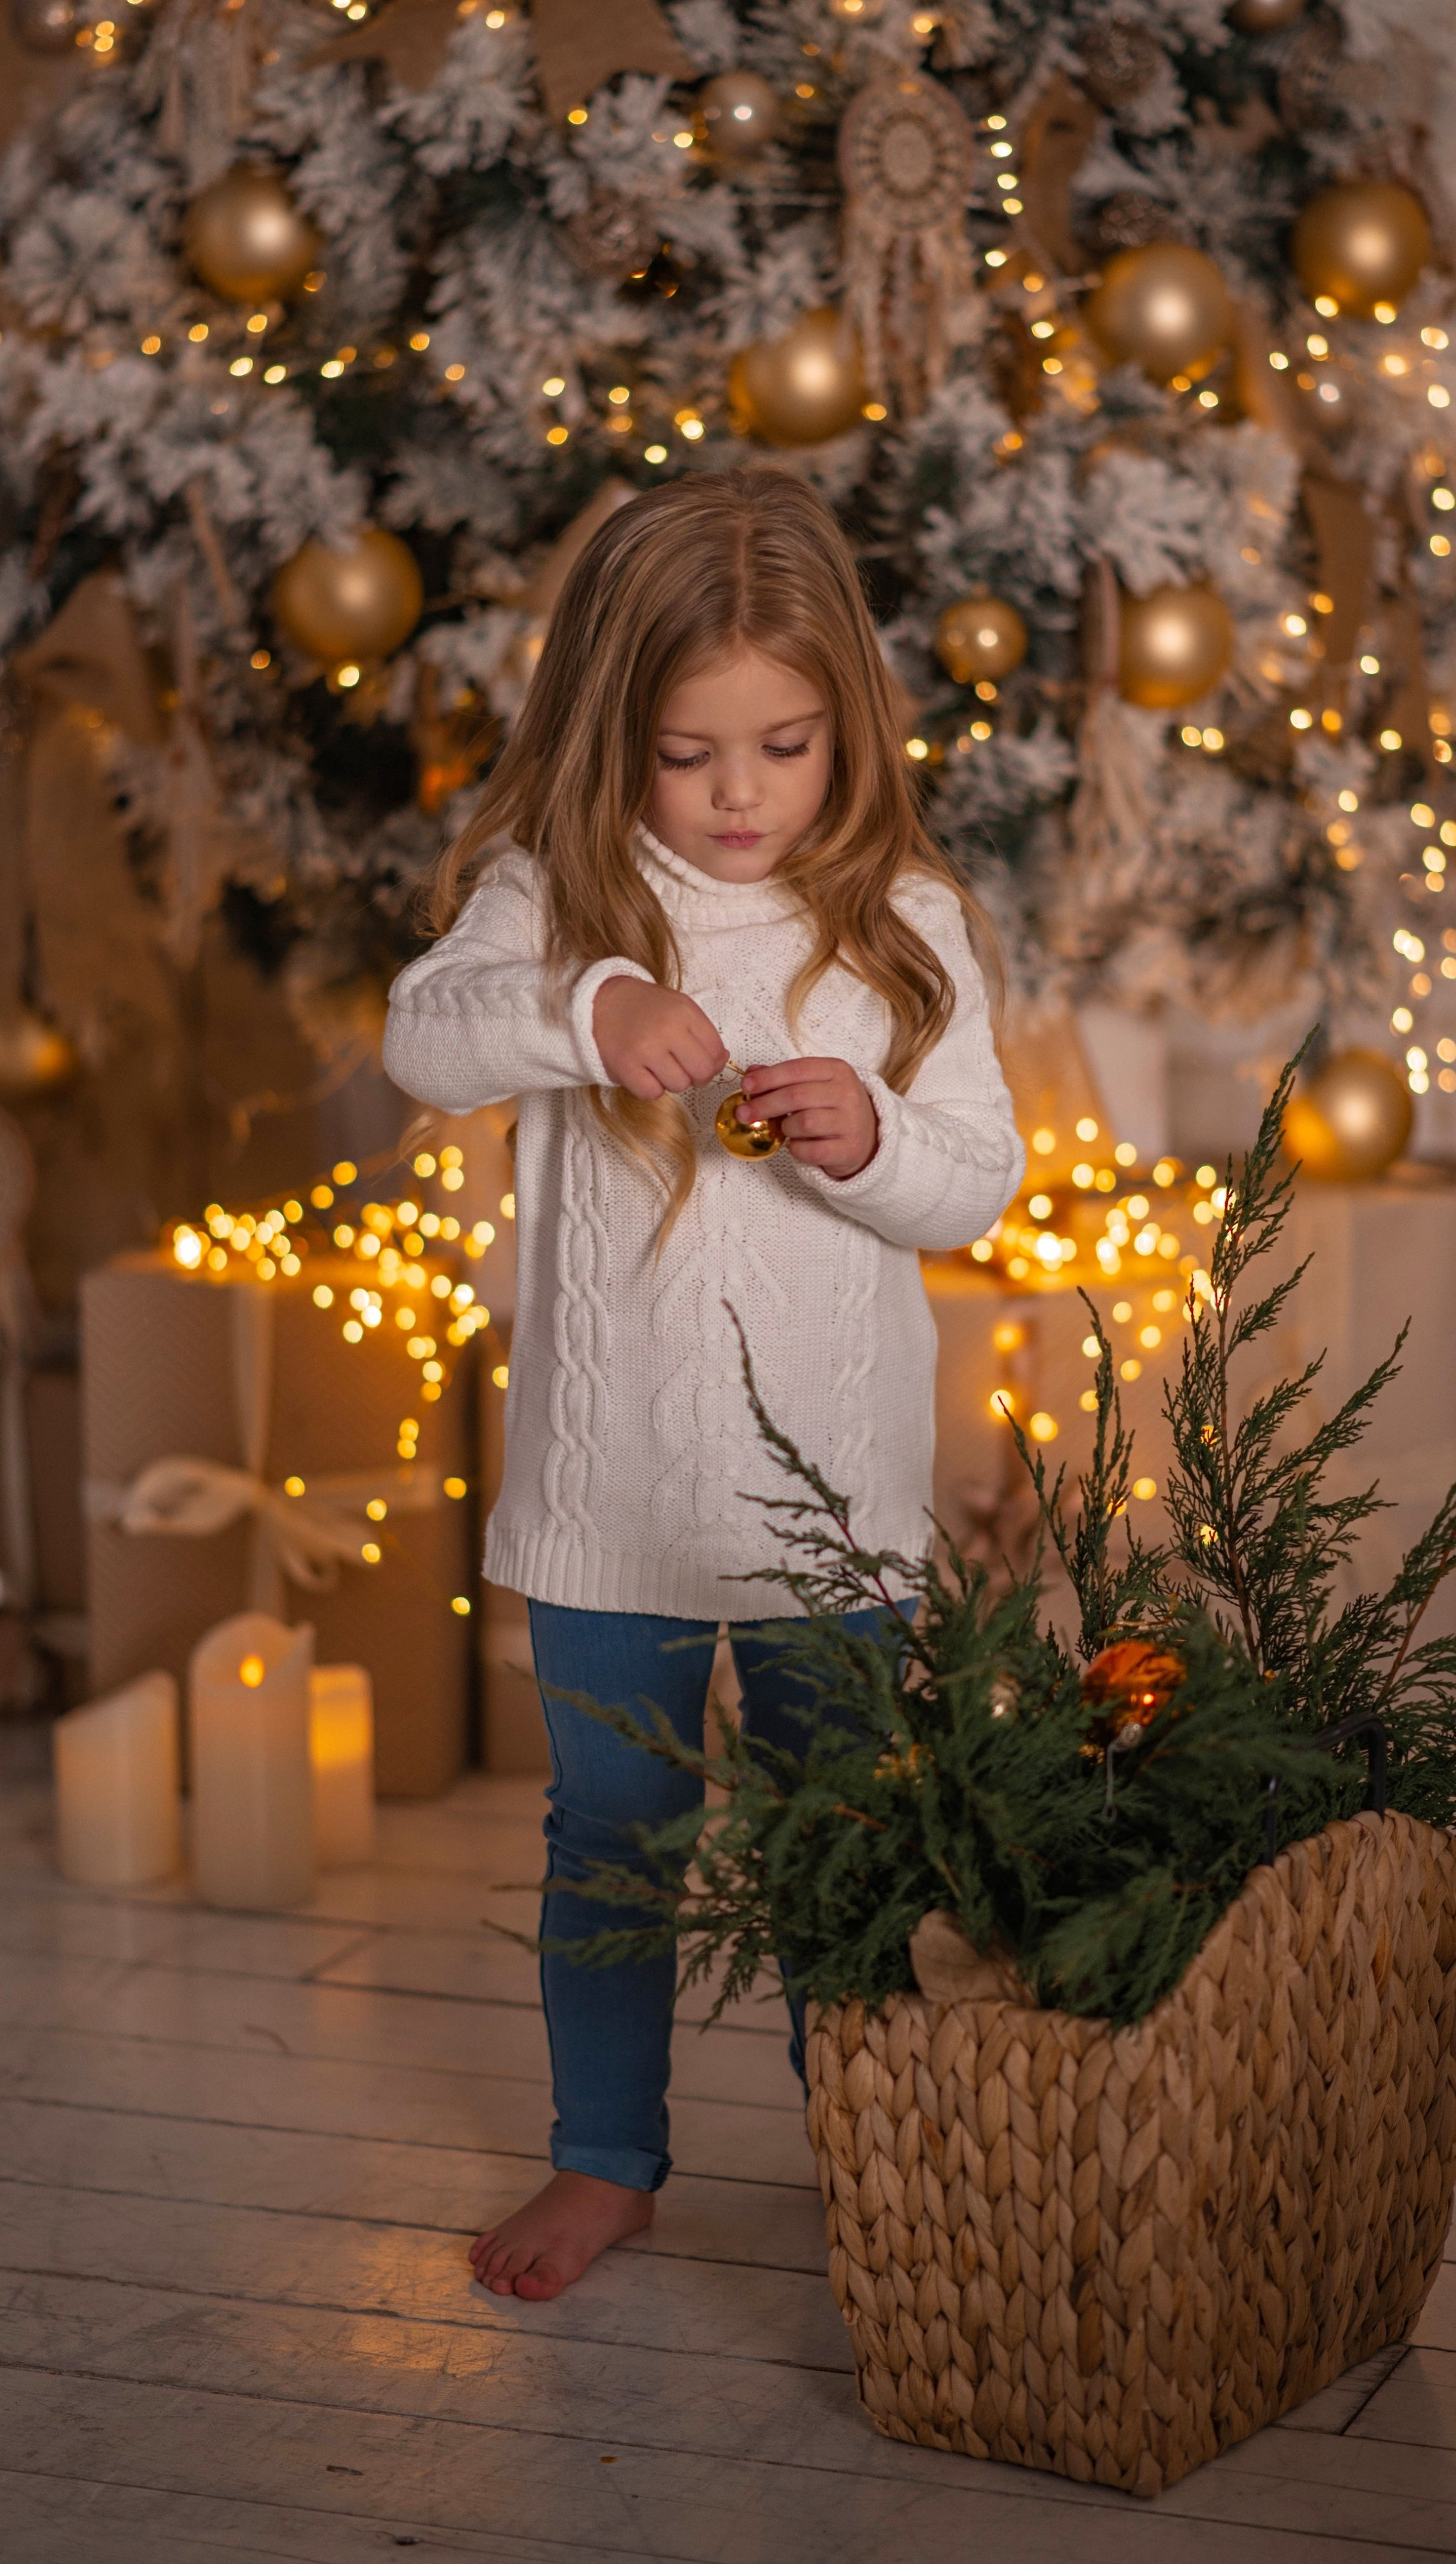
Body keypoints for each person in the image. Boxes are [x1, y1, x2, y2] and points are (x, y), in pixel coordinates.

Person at [384, 467, 1023, 2301]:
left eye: (785, 743)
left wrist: (870, 1131)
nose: (740, 795)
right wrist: (582, 1006)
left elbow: (981, 1171)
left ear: (848, 728)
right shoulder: (555, 895)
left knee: (849, 1840)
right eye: (689, 752)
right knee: (611, 1834)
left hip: (837, 1512)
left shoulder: (896, 917)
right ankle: (608, 2157)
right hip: (608, 1507)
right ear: (616, 735)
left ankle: (864, 2148)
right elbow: (422, 1039)